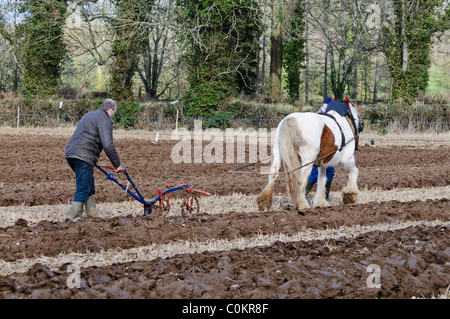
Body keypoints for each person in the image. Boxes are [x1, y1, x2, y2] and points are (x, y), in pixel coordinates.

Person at [65, 99, 124, 222]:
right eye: (114, 112)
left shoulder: (89, 115)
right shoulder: (105, 119)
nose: (113, 114)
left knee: (89, 185)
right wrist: (117, 165)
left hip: (71, 153)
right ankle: (75, 219)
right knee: (83, 187)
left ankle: (92, 215)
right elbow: (108, 145)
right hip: (83, 155)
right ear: (111, 109)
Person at [305, 97, 335, 201]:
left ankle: (305, 194)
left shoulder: (325, 116)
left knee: (319, 172)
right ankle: (324, 197)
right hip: (321, 151)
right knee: (323, 171)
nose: (330, 107)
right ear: (324, 104)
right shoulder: (319, 116)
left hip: (322, 150)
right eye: (328, 105)